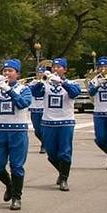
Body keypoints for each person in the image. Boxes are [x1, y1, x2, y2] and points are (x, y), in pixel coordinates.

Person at [0, 60, 33, 210]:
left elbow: (23, 103)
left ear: (17, 74)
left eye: (10, 71)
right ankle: (9, 185)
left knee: (16, 166)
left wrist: (8, 89)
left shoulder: (24, 89)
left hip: (18, 131)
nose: (7, 73)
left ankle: (16, 197)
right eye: (5, 71)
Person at [30, 58, 81, 191]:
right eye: (54, 67)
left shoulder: (71, 83)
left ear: (65, 70)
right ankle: (62, 171)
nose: (55, 69)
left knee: (65, 152)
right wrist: (41, 81)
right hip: (48, 122)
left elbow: (75, 93)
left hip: (66, 122)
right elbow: (34, 93)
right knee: (51, 153)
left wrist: (62, 82)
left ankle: (64, 178)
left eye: (59, 67)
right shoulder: (46, 83)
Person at [28, 66, 47, 154]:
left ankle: (44, 146)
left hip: (44, 109)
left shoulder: (48, 82)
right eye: (38, 72)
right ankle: (46, 143)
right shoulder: (33, 83)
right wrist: (39, 83)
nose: (40, 74)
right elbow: (32, 91)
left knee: (44, 129)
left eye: (41, 72)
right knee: (37, 130)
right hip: (35, 109)